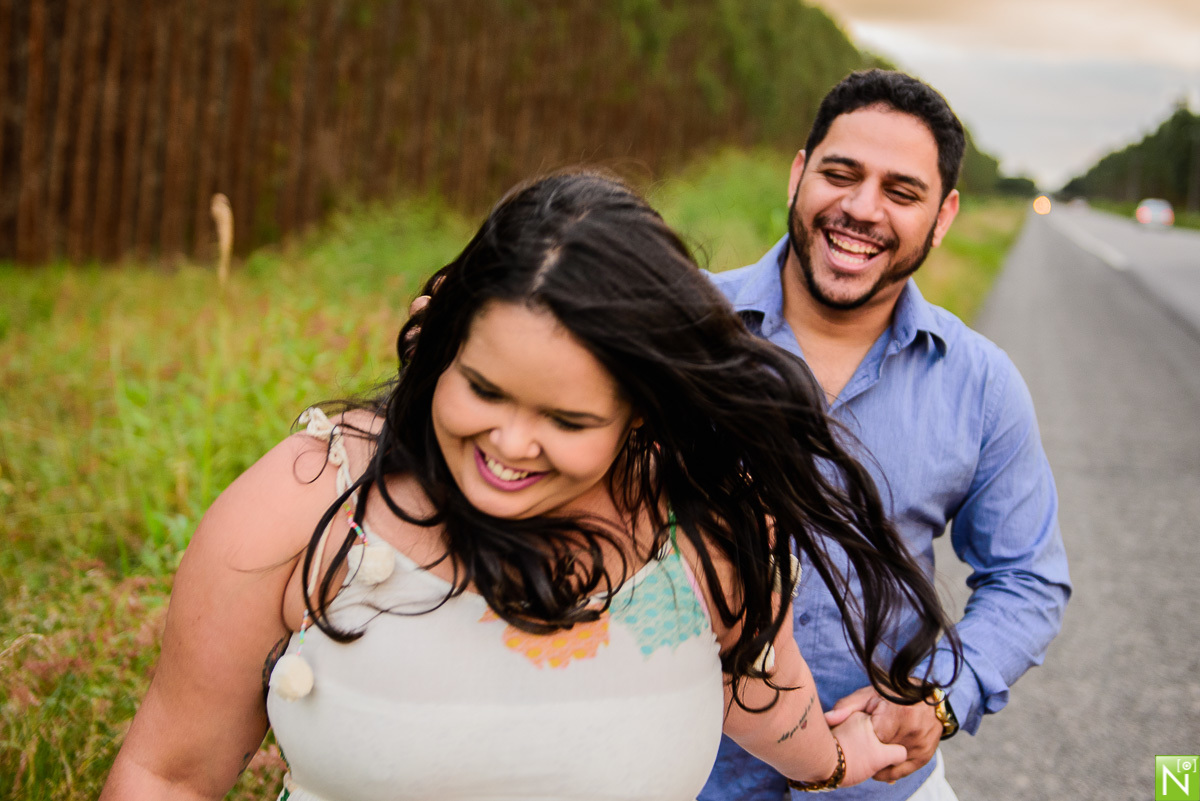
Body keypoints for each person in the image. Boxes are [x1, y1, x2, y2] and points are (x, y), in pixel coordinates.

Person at [101, 171, 960, 801]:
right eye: (481, 388)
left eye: (566, 420)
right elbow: (168, 773)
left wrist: (843, 760)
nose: (508, 444)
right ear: (443, 347)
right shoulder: (308, 501)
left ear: (642, 412)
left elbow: (759, 692)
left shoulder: (706, 526)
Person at [698, 70, 1072, 801]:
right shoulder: (675, 327)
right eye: (841, 174)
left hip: (877, 788)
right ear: (798, 175)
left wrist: (938, 697)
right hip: (673, 776)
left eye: (901, 192)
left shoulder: (982, 384)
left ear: (943, 216)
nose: (862, 209)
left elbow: (1029, 576)